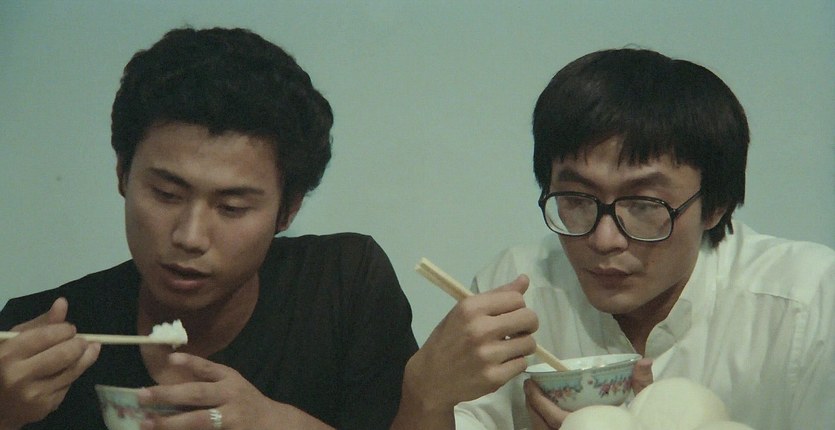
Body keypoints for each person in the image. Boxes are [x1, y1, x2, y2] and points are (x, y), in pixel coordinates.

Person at [0, 27, 420, 430]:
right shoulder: (33, 338)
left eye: (232, 207)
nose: (190, 237)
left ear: (287, 210)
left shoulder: (343, 288)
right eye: (166, 194)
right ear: (123, 175)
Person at [450, 48, 835, 430]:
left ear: (715, 206)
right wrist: (426, 392)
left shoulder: (808, 302)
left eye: (644, 205)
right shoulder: (517, 296)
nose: (604, 240)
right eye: (576, 199)